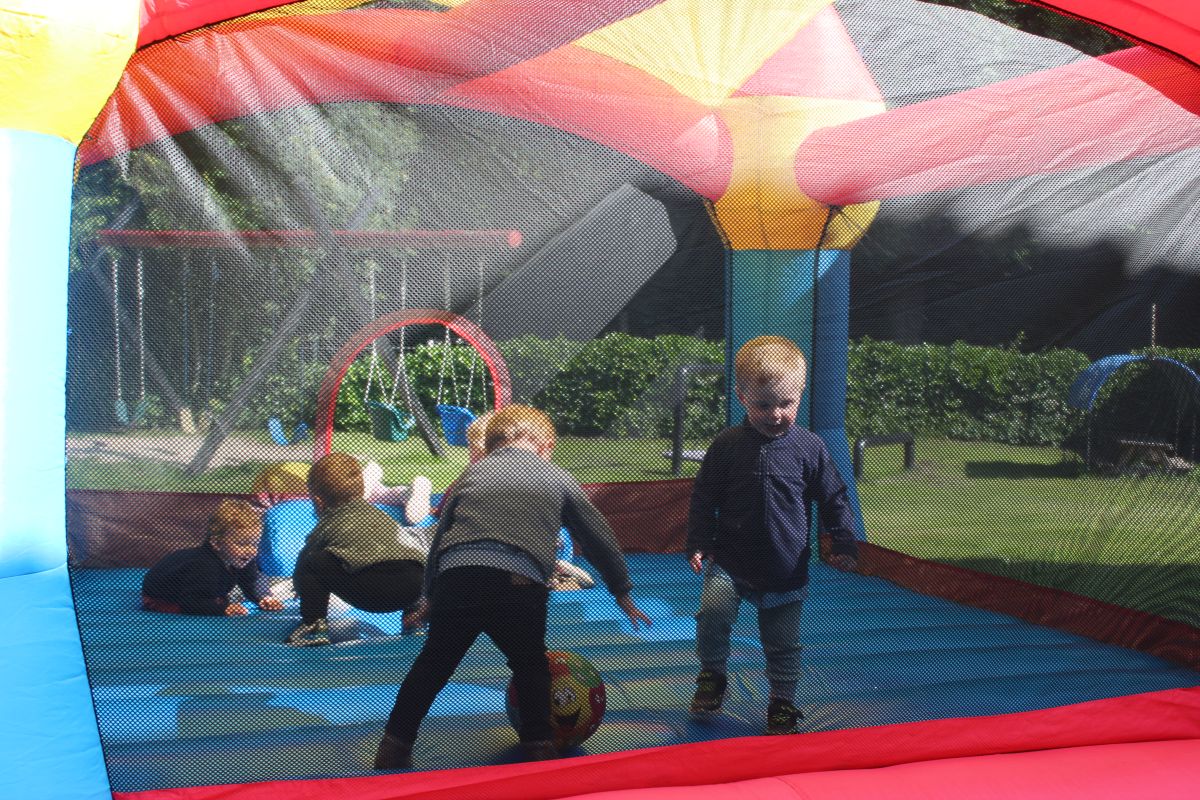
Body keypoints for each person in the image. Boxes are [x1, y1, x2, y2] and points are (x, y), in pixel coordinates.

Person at [374, 404, 651, 769]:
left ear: (490, 446)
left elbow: (441, 538)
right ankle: (539, 744)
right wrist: (621, 590)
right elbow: (596, 534)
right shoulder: (555, 475)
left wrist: (428, 596)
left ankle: (395, 743)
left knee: (434, 663)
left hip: (459, 577)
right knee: (530, 665)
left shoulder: (471, 475)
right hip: (517, 582)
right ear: (545, 445)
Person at [686, 335, 858, 736]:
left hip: (785, 566)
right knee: (712, 615)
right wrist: (699, 542)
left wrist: (843, 540)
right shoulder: (728, 445)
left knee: (782, 641)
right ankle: (712, 675)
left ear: (801, 393)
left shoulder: (809, 448)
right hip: (731, 560)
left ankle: (782, 701)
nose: (776, 414)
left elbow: (833, 496)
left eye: (786, 403)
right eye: (764, 405)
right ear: (742, 396)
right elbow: (704, 496)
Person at [285, 452, 428, 647]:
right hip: (415, 589)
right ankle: (416, 621)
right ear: (362, 491)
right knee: (411, 563)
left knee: (312, 561)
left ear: (318, 501)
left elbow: (304, 562)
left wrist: (301, 588)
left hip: (371, 592)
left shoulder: (328, 523)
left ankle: (314, 626)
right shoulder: (382, 516)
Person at [141, 499, 283, 616]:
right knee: (190, 605)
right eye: (241, 543)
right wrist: (222, 609)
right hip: (162, 596)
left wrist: (263, 597)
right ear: (216, 543)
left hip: (196, 587)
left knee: (215, 593)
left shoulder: (241, 558)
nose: (251, 550)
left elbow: (252, 581)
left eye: (255, 544)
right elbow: (191, 602)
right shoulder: (205, 565)